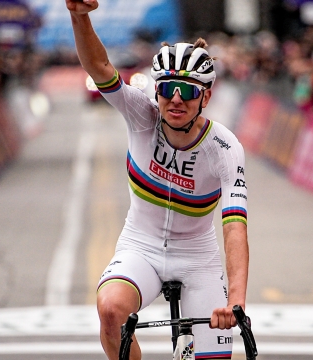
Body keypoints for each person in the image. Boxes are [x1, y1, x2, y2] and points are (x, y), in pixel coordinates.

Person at [66, 1, 249, 359]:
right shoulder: (140, 115)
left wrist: (236, 302)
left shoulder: (225, 147)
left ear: (206, 97)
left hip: (198, 258)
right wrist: (79, 16)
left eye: (189, 91)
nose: (176, 100)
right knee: (109, 310)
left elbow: (235, 228)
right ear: (156, 91)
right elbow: (99, 66)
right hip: (141, 247)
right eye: (167, 89)